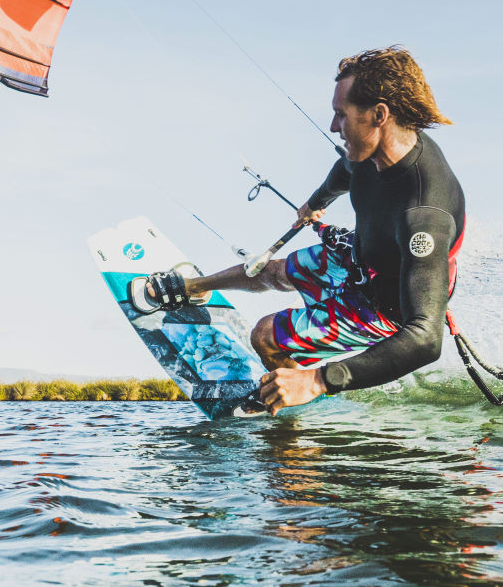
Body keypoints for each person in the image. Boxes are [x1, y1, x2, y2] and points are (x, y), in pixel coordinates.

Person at [155, 46, 465, 415]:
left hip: (386, 304)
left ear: (378, 115)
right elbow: (346, 172)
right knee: (272, 270)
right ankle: (194, 289)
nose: (334, 127)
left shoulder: (424, 213)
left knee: (267, 336)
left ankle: (292, 417)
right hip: (361, 257)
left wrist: (320, 379)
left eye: (341, 115)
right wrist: (316, 203)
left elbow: (425, 339)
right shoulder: (367, 151)